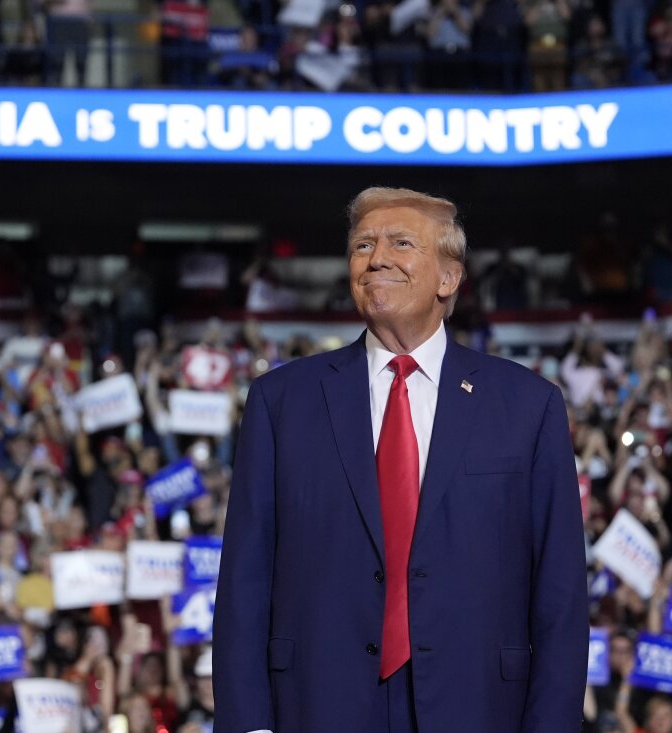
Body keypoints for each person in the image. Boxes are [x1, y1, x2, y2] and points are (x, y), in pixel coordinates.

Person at [212, 186, 587, 731]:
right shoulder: (280, 402)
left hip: (479, 707)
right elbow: (244, 580)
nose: (376, 257)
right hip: (316, 704)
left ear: (448, 277)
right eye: (362, 246)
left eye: (400, 242)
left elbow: (561, 594)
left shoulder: (528, 406)